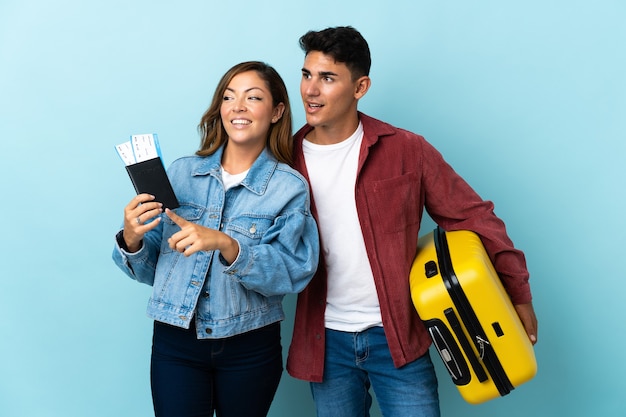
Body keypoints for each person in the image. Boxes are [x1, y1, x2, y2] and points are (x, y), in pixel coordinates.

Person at [286, 26, 538, 417]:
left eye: (327, 78)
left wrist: (517, 292)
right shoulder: (285, 160)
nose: (310, 90)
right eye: (306, 75)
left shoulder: (406, 150)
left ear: (360, 87)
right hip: (324, 342)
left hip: (398, 338)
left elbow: (474, 216)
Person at [112, 61, 320, 417]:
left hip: (249, 345)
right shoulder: (180, 173)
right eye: (228, 97)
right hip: (176, 343)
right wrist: (131, 238)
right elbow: (151, 273)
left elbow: (293, 273)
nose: (237, 106)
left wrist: (228, 245)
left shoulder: (289, 187)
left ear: (277, 111)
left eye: (253, 97)